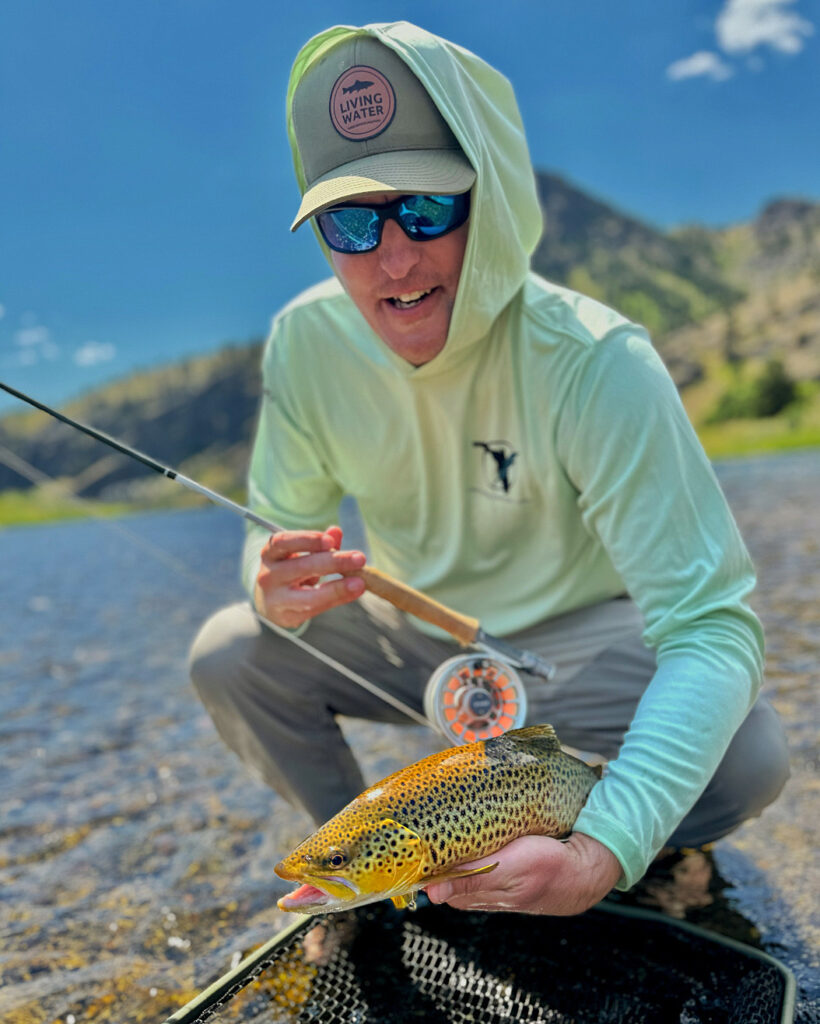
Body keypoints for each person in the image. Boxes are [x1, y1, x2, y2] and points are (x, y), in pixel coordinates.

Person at [189, 21, 789, 916]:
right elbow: (272, 524)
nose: (394, 259)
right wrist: (272, 584)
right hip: (413, 637)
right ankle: (356, 879)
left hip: (573, 649)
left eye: (428, 210)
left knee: (748, 760)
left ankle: (652, 845)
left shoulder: (596, 359)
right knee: (231, 654)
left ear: (494, 197)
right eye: (351, 222)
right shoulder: (305, 343)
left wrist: (603, 849)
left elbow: (710, 629)